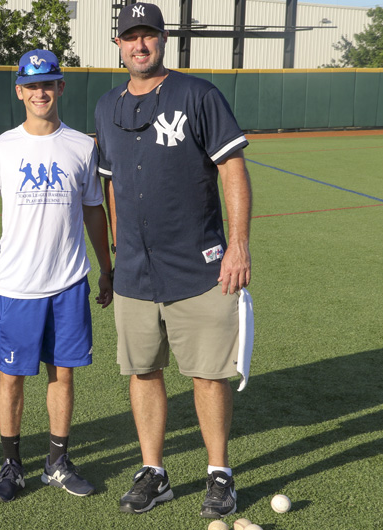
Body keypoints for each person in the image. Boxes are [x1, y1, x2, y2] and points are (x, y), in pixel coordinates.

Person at [94, 2, 253, 520]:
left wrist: (239, 243)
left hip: (198, 264)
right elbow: (112, 186)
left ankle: (219, 474)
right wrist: (117, 255)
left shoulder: (197, 94)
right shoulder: (106, 106)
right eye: (130, 36)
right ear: (118, 46)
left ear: (163, 41)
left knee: (208, 375)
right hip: (137, 271)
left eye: (149, 35)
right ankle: (154, 472)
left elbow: (231, 168)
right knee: (144, 372)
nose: (140, 44)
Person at [0, 49, 114, 503]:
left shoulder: (81, 145)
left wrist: (106, 269)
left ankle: (56, 462)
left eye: (48, 83)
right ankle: (10, 465)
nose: (40, 91)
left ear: (60, 87)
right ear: (19, 91)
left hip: (69, 281)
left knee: (63, 374)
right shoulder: (1, 148)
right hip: (17, 284)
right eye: (31, 84)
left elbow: (94, 211)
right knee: (11, 377)